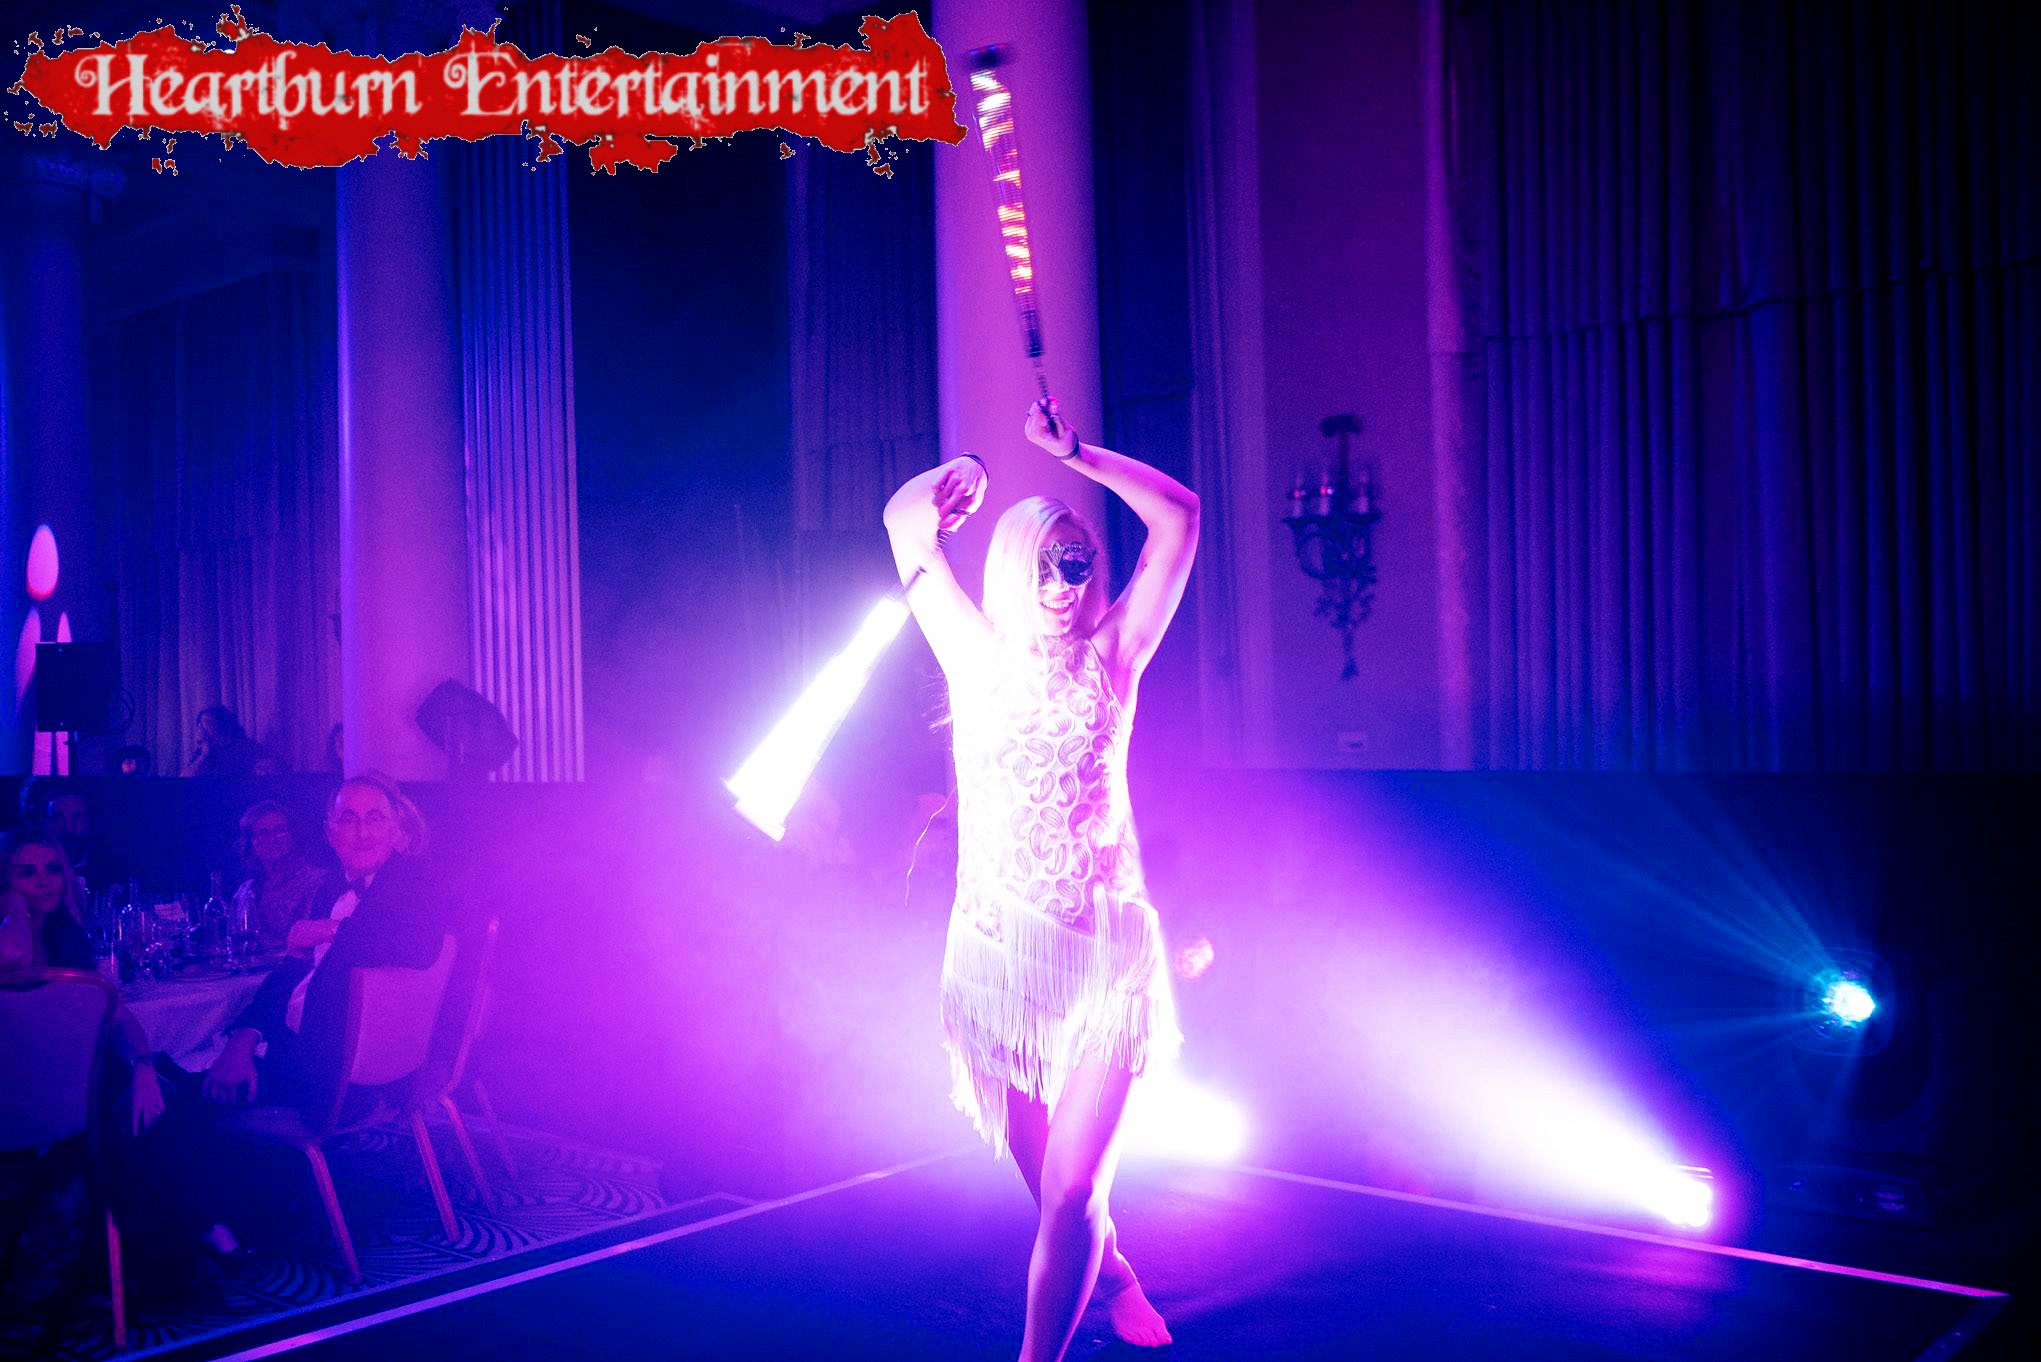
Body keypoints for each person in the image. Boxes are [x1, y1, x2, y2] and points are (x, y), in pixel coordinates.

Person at [882, 397, 1198, 1360]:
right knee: (1042, 1177)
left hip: (1108, 957)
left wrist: (1076, 454)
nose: (1066, 581)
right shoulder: (971, 657)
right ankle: (1117, 1272)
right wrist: (963, 475)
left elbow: (1179, 516)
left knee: (1073, 1189)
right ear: (1014, 569)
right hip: (995, 955)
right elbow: (901, 521)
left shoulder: (1115, 656)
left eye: (1079, 562)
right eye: (1048, 564)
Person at [202, 774, 445, 1119]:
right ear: (331, 834)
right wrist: (243, 1038)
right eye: (349, 820)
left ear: (396, 830)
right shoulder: (331, 889)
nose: (362, 833)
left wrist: (332, 929)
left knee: (178, 1096)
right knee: (170, 1078)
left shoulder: (412, 882)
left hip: (328, 1077)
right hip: (290, 1049)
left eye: (375, 819)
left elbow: (420, 944)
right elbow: (293, 971)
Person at [230, 800, 325, 951]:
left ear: (292, 836)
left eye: (279, 831)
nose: (272, 839)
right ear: (251, 843)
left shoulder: (317, 881)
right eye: (263, 833)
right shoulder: (245, 891)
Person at [17, 779, 130, 894]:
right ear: (44, 823)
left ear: (91, 823)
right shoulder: (25, 874)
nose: (68, 828)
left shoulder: (115, 871)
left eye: (78, 819)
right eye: (58, 819)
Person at [182, 706, 266, 779]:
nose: (201, 727)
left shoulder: (246, 746)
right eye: (200, 723)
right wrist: (203, 756)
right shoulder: (203, 751)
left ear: (221, 723)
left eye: (207, 722)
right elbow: (183, 779)